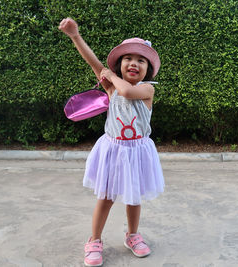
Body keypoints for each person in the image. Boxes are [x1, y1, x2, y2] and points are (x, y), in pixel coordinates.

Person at [58, 17, 164, 266]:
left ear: (148, 70)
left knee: (134, 197)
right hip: (113, 150)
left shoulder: (147, 90)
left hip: (137, 152)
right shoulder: (112, 87)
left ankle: (132, 235)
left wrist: (111, 77)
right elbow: (92, 61)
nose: (134, 63)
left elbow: (127, 92)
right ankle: (94, 240)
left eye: (141, 60)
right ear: (120, 64)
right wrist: (75, 35)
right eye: (128, 59)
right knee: (105, 198)